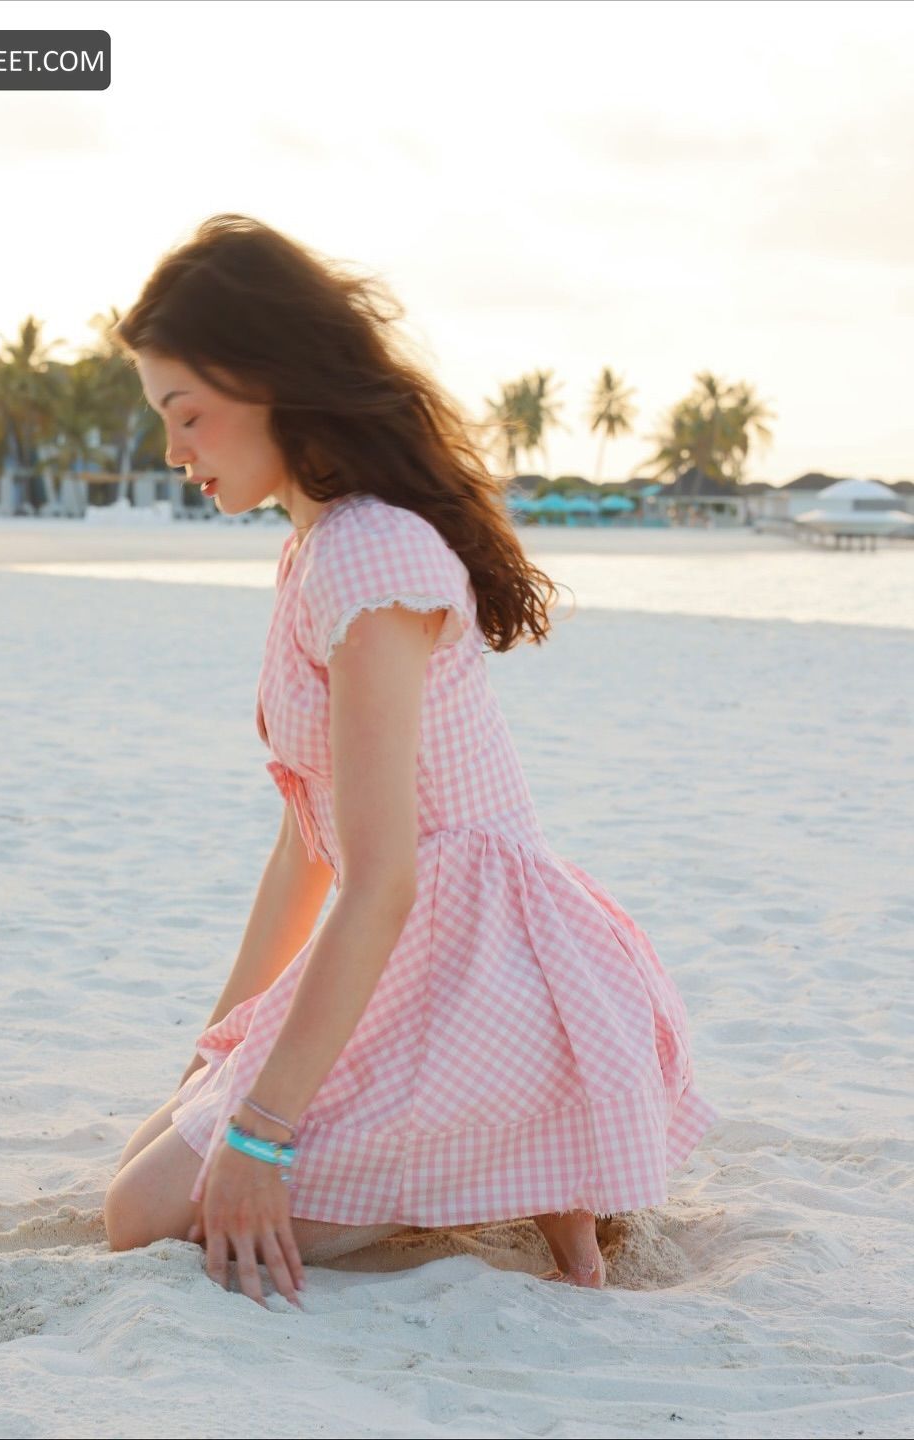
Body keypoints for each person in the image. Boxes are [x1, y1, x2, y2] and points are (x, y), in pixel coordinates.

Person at [102, 215, 719, 1307]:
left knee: (144, 1217)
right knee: (144, 1179)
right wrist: (221, 1046)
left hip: (480, 970)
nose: (174, 451)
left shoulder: (372, 552)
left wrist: (264, 1129)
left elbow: (382, 879)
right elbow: (306, 845)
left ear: (272, 382)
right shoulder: (317, 547)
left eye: (186, 414)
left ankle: (526, 1155)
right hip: (416, 950)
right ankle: (527, 1170)